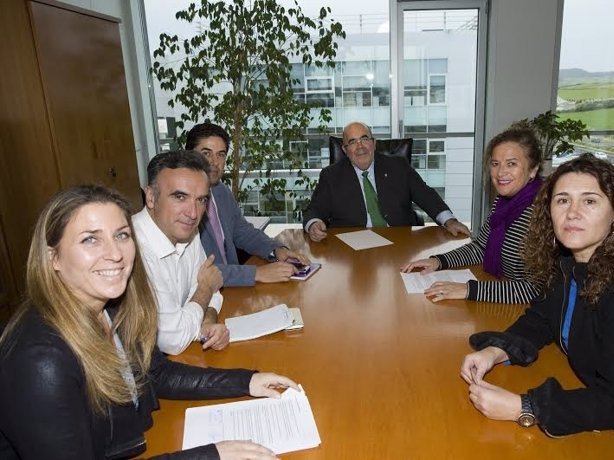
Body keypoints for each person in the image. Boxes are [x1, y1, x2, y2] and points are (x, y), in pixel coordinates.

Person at [0, 185, 299, 459]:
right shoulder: (38, 358)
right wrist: (212, 455)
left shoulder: (114, 306)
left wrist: (246, 380)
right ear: (53, 257)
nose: (115, 254)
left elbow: (155, 374)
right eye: (91, 239)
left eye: (121, 235)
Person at [460, 154, 614, 460]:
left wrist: (524, 407)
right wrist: (496, 351)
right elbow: (541, 319)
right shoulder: (569, 264)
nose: (573, 213)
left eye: (590, 201)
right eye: (562, 201)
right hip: (595, 402)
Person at [401, 125, 542, 304]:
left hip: (528, 311)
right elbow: (480, 248)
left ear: (533, 170)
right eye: (495, 164)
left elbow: (536, 289)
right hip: (505, 296)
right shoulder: (504, 204)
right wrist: (438, 261)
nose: (500, 172)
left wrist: (469, 289)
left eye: (511, 164)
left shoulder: (542, 213)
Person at [186, 122, 310, 286]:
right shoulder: (182, 203)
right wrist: (255, 273)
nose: (214, 162)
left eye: (221, 154)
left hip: (231, 289)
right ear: (189, 155)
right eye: (206, 153)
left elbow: (243, 232)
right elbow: (197, 270)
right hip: (202, 297)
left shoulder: (220, 191)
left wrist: (276, 250)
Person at [302, 121, 470, 242]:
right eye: (352, 142)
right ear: (345, 150)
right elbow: (315, 209)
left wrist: (449, 221)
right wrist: (314, 224)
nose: (360, 146)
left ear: (374, 144)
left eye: (365, 139)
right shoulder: (331, 176)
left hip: (399, 242)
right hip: (350, 248)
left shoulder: (398, 166)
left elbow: (426, 195)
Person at [134, 150, 228, 355]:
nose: (193, 213)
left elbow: (213, 291)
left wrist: (208, 321)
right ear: (150, 197)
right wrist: (204, 290)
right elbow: (173, 340)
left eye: (201, 200)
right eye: (180, 197)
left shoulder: (187, 231)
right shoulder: (133, 250)